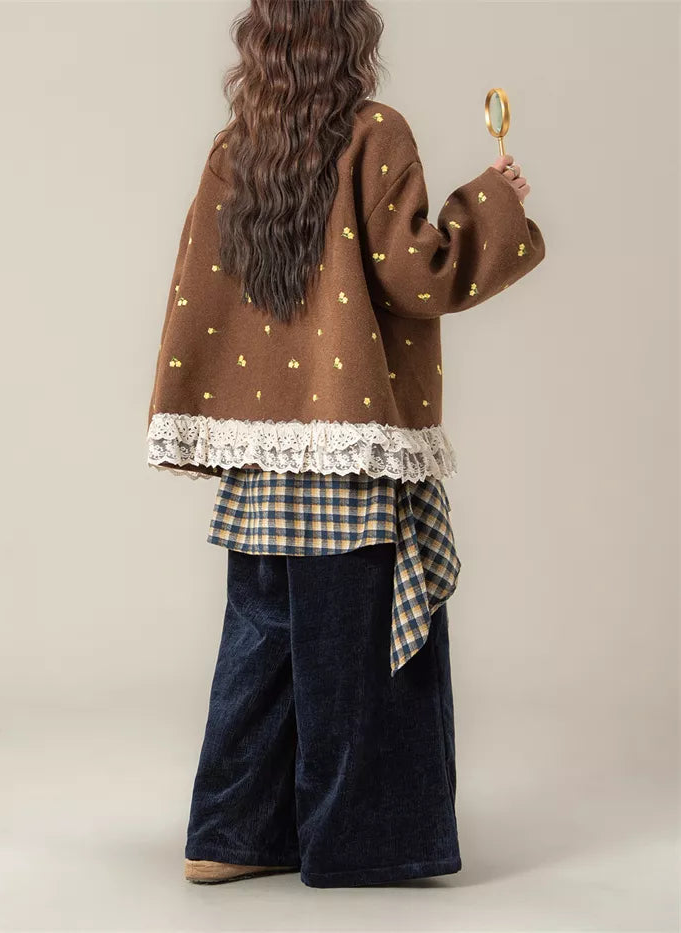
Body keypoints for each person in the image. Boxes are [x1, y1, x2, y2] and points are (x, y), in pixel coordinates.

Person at [145, 0, 546, 889]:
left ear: (262, 43)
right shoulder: (374, 132)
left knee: (261, 654)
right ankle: (368, 842)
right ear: (350, 40)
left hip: (264, 465)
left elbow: (201, 286)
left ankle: (229, 836)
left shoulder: (235, 149)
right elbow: (419, 274)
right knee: (359, 657)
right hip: (350, 460)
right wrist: (495, 204)